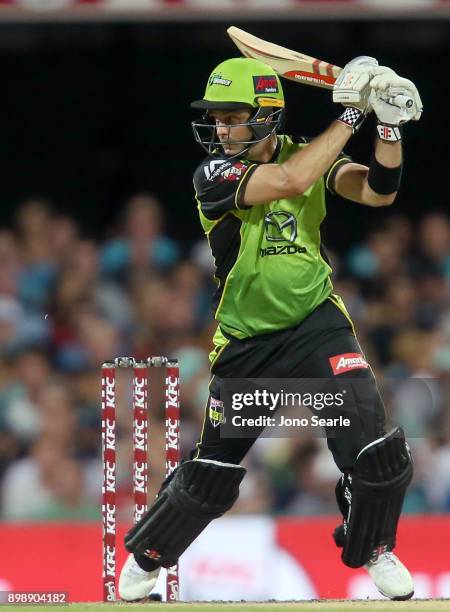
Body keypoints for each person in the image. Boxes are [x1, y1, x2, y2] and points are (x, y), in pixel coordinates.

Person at [118, 56, 422, 601]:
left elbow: (378, 190)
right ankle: (149, 557)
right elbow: (291, 179)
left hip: (315, 323)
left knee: (372, 444)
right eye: (216, 118)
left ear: (266, 116)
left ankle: (373, 546)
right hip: (246, 339)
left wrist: (387, 125)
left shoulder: (306, 149)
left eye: (231, 117)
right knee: (215, 469)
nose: (220, 128)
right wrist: (353, 114)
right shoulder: (213, 173)